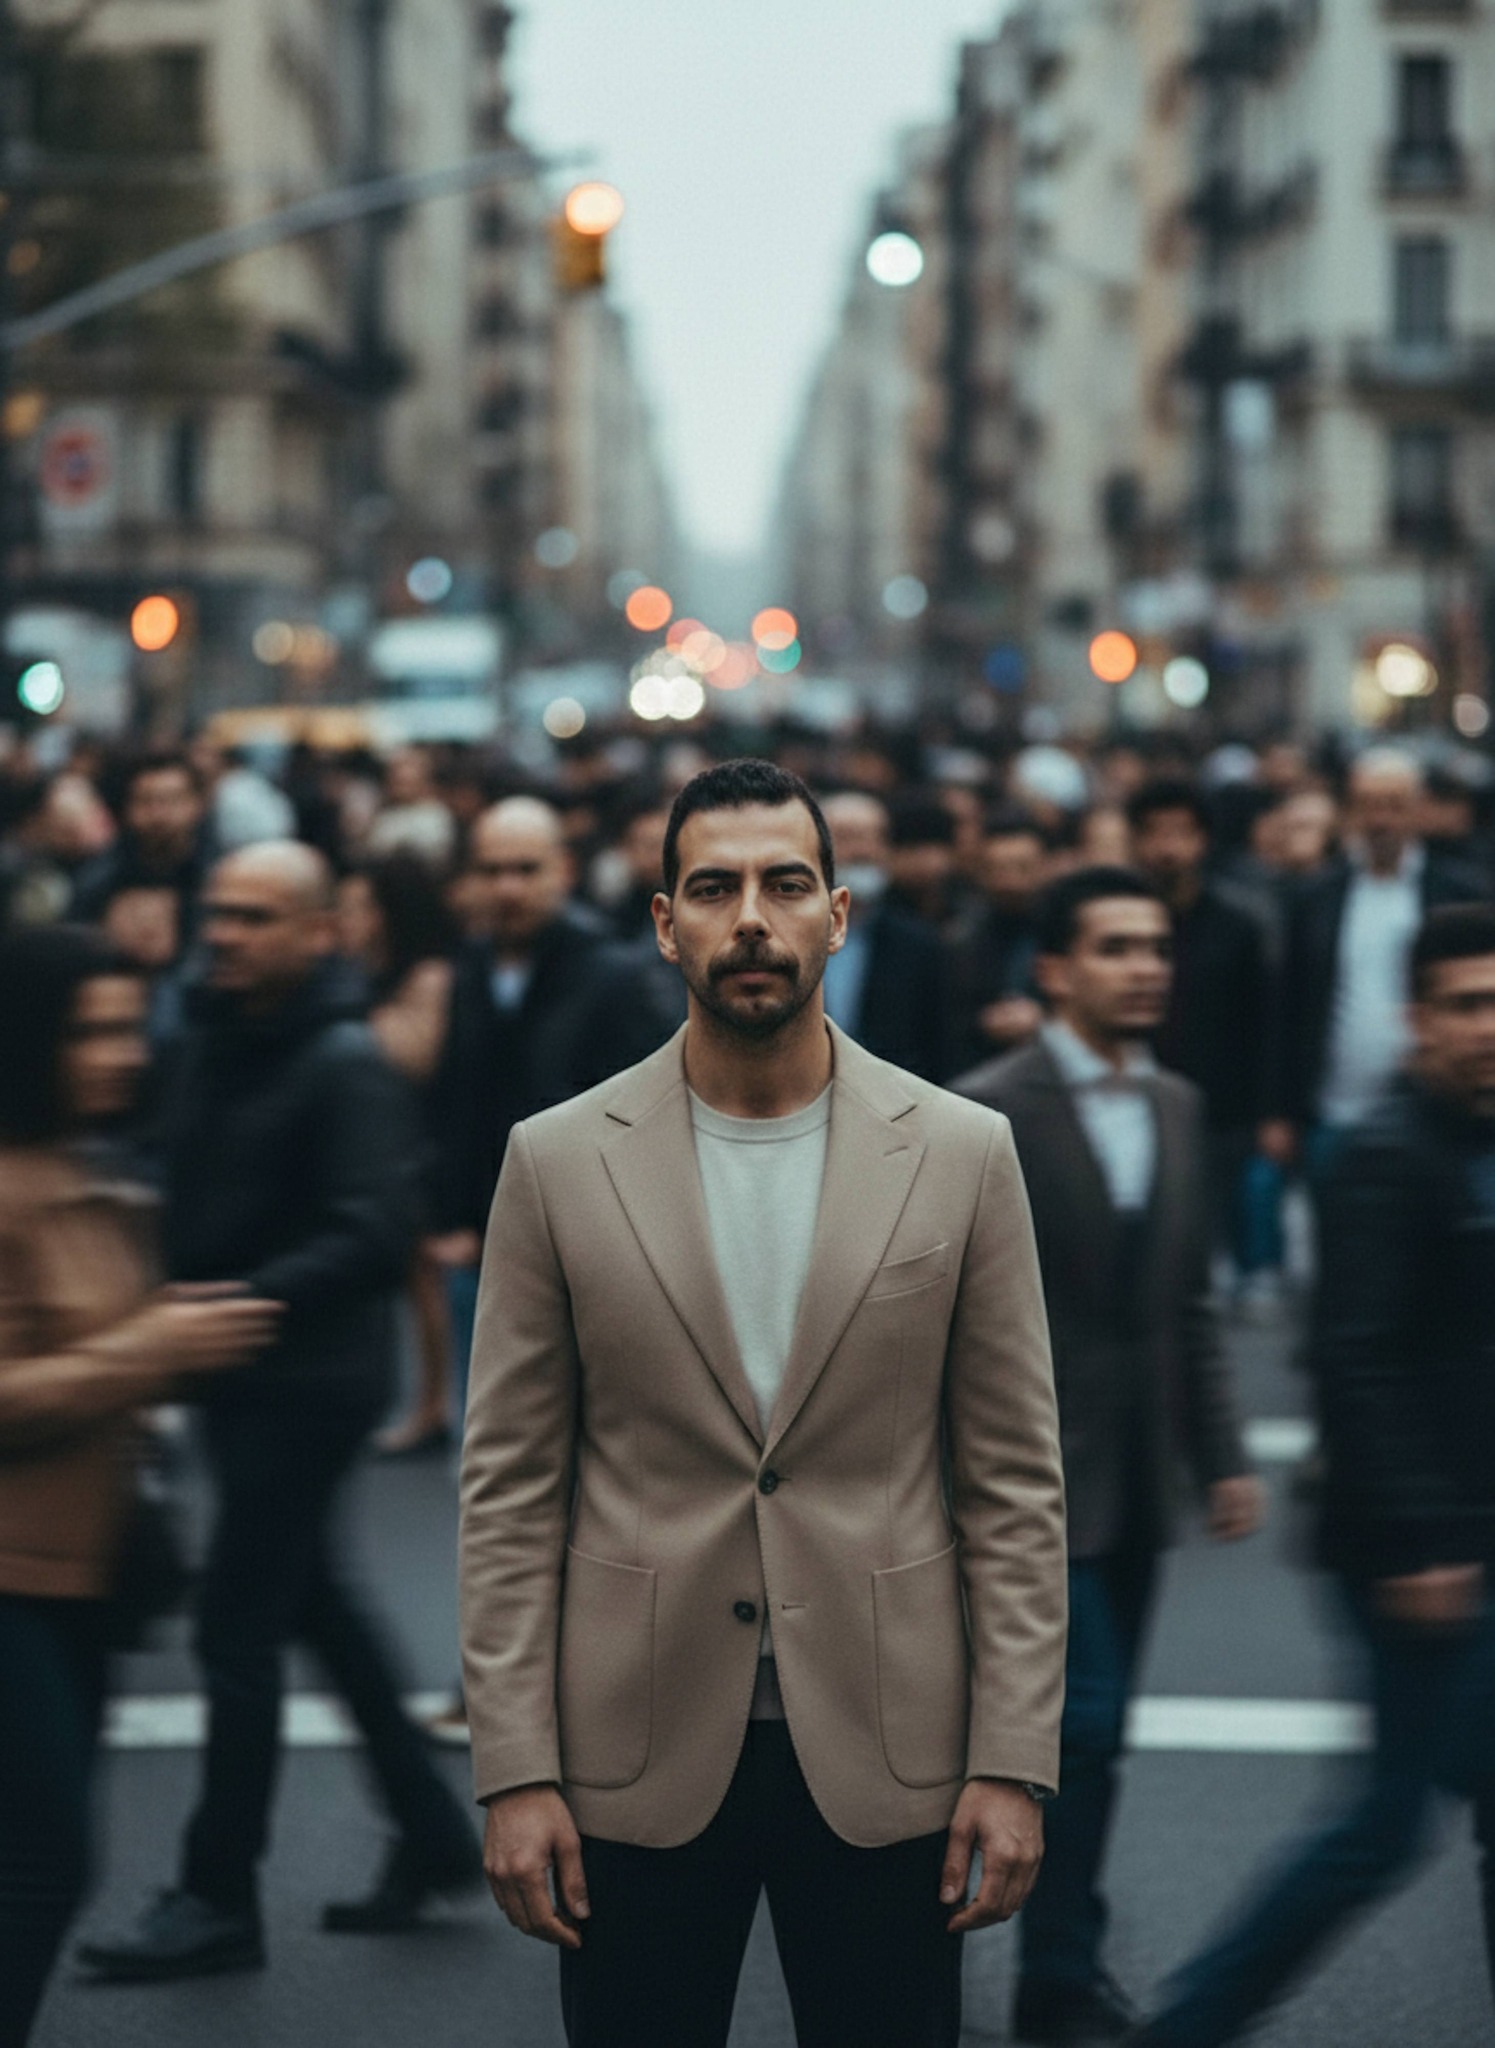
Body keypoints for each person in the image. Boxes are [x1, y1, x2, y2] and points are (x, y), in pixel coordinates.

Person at [460, 758, 1068, 2048]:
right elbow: (509, 1490)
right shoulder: (554, 1158)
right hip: (632, 1745)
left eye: (786, 884)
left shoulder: (962, 1152)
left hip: (889, 1745)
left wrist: (1012, 1760)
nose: (752, 917)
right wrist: (513, 1770)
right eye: (714, 886)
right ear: (664, 920)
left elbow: (1014, 1484)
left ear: (838, 914)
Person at [79, 842, 480, 1984]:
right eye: (220, 911)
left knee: (237, 1633)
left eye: (256, 915)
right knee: (319, 1607)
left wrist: (241, 1300)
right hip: (239, 1371)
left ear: (320, 932)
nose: (226, 931)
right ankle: (434, 1828)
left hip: (304, 1383)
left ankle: (217, 1893)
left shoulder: (344, 1058)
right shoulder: (212, 1027)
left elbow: (366, 1229)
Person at [1131, 903, 1495, 2045]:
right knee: (1381, 1828)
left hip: (1469, 1531)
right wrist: (1429, 1538)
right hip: (1416, 1547)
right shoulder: (1387, 1154)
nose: (1487, 1026)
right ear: (1414, 1017)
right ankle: (1189, 2022)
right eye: (1464, 1004)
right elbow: (1356, 1361)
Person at [955, 868, 1262, 2047]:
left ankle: (1054, 1968)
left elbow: (1187, 1302)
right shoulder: (983, 1109)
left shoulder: (1180, 1105)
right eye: (1116, 945)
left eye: (1155, 945)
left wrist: (1220, 1454)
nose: (1147, 965)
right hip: (1019, 1475)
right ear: (1055, 969)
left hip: (1135, 1475)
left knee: (1103, 1729)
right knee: (1067, 1722)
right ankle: (1047, 1970)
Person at [0, 926, 277, 2045]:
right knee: (45, 1855)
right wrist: (151, 1349)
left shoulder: (94, 1166)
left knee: (42, 1853)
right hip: (12, 1576)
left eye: (128, 1024)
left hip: (79, 1576)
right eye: (90, 1030)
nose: (120, 1052)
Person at [1280, 747, 1484, 1179]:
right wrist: (1278, 1110)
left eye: (1394, 806)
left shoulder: (1458, 893)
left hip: (1435, 1114)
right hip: (1334, 1111)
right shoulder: (1317, 897)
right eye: (1369, 805)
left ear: (1417, 811)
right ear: (1351, 812)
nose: (1381, 821)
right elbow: (1288, 1000)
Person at [1125, 779, 1283, 1302]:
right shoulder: (1118, 924)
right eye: (1155, 833)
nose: (1168, 848)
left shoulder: (1238, 924)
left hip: (1221, 1108)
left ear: (1203, 841)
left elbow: (1263, 1023)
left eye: (1181, 833)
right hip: (1135, 1098)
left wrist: (1269, 1113)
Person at [336, 852, 460, 1455]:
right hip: (390, 1142)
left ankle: (434, 1405)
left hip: (426, 1143)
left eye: (361, 907)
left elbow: (414, 1058)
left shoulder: (426, 976)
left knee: (423, 1275)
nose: (348, 919)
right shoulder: (370, 975)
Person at [818, 788, 951, 1080]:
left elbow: (935, 1050)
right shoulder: (787, 934)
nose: (863, 851)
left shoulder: (919, 944)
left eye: (875, 837)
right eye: (848, 837)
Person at [948, 804, 1050, 1072]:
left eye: (1022, 867)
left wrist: (1046, 1019)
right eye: (999, 868)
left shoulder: (1067, 933)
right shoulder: (959, 937)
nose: (1011, 882)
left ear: (1045, 865)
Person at [74, 750, 211, 933]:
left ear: (198, 803)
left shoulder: (219, 874)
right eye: (146, 801)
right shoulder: (98, 876)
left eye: (172, 800)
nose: (158, 814)